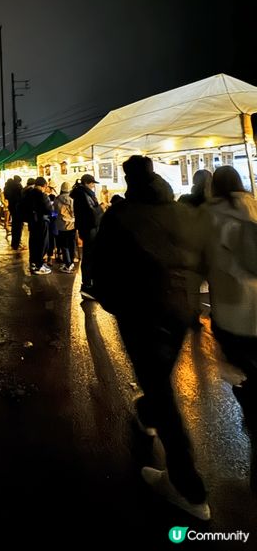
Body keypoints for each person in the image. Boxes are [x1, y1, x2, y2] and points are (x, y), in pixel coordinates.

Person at [92, 155, 211, 521]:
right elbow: (201, 258)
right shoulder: (180, 212)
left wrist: (114, 304)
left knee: (161, 391)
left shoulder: (120, 216)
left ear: (128, 179)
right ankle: (147, 415)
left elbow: (100, 265)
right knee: (157, 381)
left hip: (142, 314)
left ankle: (188, 489)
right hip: (180, 312)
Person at [206, 166, 257, 413]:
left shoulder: (211, 216)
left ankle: (251, 412)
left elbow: (208, 260)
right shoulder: (254, 206)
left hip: (232, 303)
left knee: (241, 364)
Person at [70, 173, 103, 298]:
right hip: (89, 229)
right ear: (87, 183)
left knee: (90, 256)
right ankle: (87, 286)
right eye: (92, 183)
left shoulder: (83, 194)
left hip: (87, 229)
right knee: (89, 256)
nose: (94, 186)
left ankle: (89, 284)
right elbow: (92, 214)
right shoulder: (83, 195)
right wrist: (101, 207)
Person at [21, 176, 52, 274]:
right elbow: (49, 210)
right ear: (44, 185)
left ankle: (33, 263)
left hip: (32, 222)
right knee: (42, 243)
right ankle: (39, 266)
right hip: (41, 222)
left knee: (33, 242)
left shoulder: (28, 193)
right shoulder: (42, 195)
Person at [55, 182, 76, 272]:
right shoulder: (72, 199)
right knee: (71, 244)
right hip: (72, 225)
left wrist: (55, 218)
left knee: (64, 245)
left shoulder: (57, 199)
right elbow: (75, 212)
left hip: (61, 226)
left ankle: (68, 265)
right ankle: (71, 262)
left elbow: (54, 213)